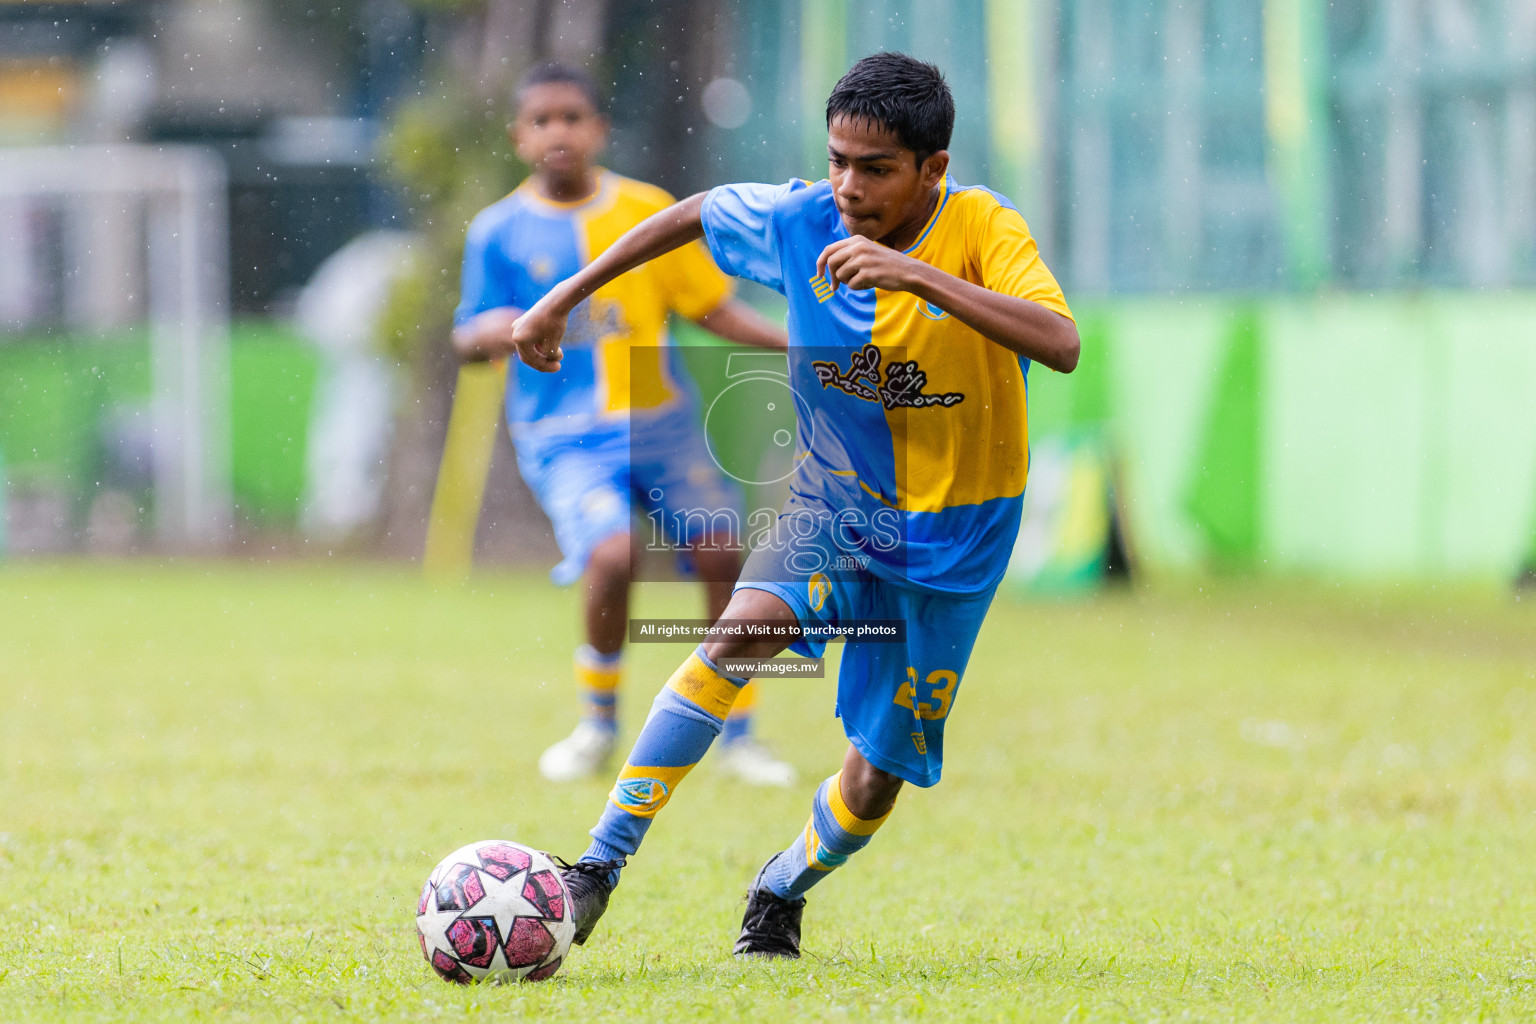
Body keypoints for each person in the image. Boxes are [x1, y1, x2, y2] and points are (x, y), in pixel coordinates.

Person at [511, 51, 1081, 959]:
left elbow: (1060, 342)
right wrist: (559, 300)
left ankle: (781, 887)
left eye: (877, 169)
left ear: (934, 169)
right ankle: (595, 869)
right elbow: (692, 214)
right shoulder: (799, 218)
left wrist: (919, 279)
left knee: (876, 780)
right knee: (739, 631)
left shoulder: (982, 228)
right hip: (835, 507)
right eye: (837, 161)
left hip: (957, 540)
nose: (849, 188)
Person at [453, 61, 797, 787]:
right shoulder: (498, 232)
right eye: (542, 120)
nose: (559, 132)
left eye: (573, 117)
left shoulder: (648, 210)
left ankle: (738, 734)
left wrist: (801, 342)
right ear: (520, 137)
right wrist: (498, 329)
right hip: (564, 434)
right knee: (611, 558)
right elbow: (466, 338)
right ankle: (597, 724)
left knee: (720, 553)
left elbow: (713, 308)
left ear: (599, 130)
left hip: (659, 419)